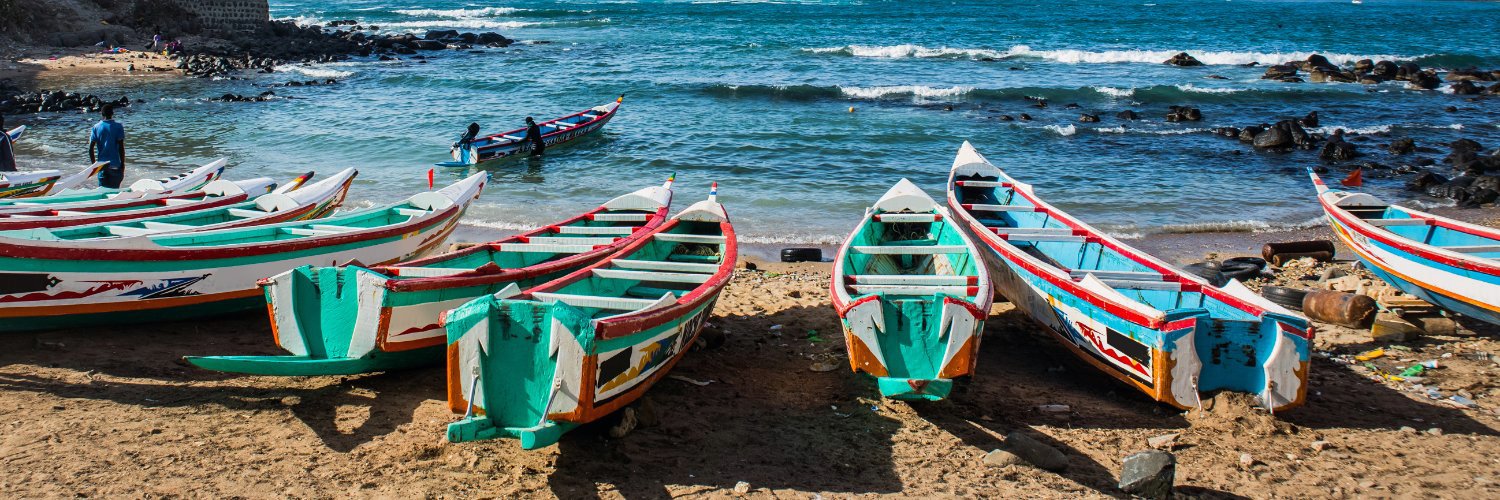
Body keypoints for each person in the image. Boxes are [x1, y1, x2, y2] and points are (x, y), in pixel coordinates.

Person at [88, 104, 126, 188]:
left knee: (103, 192)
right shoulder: (118, 127)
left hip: (102, 167)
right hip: (115, 166)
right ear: (112, 113)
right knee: (115, 193)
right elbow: (121, 148)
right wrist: (122, 164)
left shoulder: (96, 127)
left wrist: (94, 165)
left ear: (102, 114)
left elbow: (91, 149)